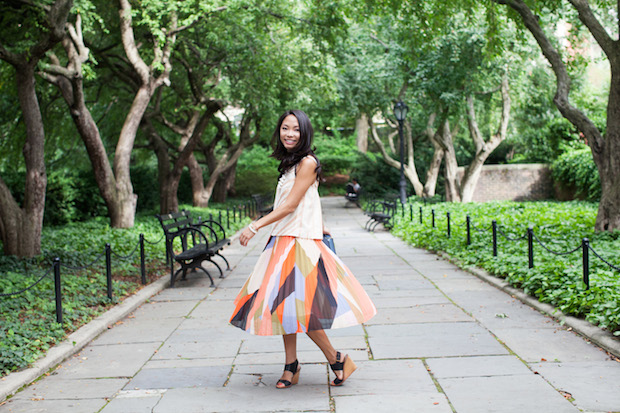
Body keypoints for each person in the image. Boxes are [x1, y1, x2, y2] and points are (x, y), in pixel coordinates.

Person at [230, 109, 377, 389]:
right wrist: (320, 224)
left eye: (295, 129)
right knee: (284, 309)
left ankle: (337, 358)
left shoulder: (307, 162)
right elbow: (311, 199)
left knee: (303, 311)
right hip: (284, 241)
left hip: (300, 246)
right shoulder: (289, 164)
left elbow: (289, 206)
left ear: (305, 132)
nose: (289, 133)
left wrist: (254, 226)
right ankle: (291, 366)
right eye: (285, 128)